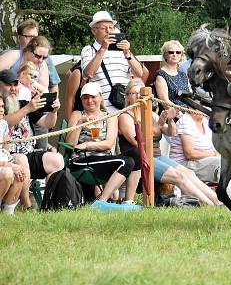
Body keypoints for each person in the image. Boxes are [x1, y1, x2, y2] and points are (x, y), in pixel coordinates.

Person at [120, 80, 221, 206]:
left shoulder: (150, 114)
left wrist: (170, 119)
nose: (138, 96)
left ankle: (217, 202)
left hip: (157, 156)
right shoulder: (125, 116)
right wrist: (160, 123)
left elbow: (171, 133)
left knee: (189, 173)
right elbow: (139, 143)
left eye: (140, 93)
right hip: (142, 158)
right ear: (127, 96)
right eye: (134, 93)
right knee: (180, 177)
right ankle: (208, 204)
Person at [66, 82, 142, 210]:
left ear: (100, 97)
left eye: (93, 97)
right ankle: (101, 202)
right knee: (126, 162)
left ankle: (129, 201)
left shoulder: (110, 117)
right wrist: (79, 124)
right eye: (85, 97)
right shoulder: (77, 115)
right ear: (81, 99)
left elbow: (109, 143)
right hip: (82, 161)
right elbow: (70, 144)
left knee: (136, 154)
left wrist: (87, 144)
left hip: (103, 159)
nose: (90, 101)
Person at [0, 69, 63, 209]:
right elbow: (4, 122)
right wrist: (28, 108)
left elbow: (48, 123)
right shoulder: (3, 105)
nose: (13, 89)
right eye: (9, 85)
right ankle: (27, 206)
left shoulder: (23, 103)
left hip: (29, 152)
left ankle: (48, 203)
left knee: (56, 160)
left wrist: (54, 111)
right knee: (21, 159)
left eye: (15, 84)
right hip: (8, 155)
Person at [81, 11, 146, 112]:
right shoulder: (88, 50)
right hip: (103, 108)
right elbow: (89, 74)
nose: (108, 31)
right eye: (103, 28)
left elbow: (140, 73)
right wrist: (103, 48)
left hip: (125, 106)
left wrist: (128, 53)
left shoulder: (121, 50)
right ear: (94, 31)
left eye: (111, 27)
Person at [0, 19, 60, 92]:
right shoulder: (11, 54)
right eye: (30, 37)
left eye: (36, 37)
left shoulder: (44, 61)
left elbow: (51, 86)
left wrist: (54, 99)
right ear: (19, 38)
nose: (34, 40)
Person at [0, 100, 25, 214]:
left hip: (3, 163)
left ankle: (8, 211)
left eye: (2, 106)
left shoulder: (3, 124)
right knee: (7, 173)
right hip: (2, 167)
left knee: (20, 171)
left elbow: (5, 151)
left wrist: (14, 165)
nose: (1, 110)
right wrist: (9, 166)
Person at [154, 40, 190, 108]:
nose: (175, 54)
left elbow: (189, 98)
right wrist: (181, 115)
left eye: (178, 52)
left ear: (181, 55)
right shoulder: (161, 74)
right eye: (171, 52)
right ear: (165, 55)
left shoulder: (183, 75)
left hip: (187, 112)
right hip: (171, 114)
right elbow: (165, 102)